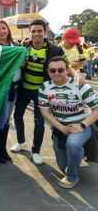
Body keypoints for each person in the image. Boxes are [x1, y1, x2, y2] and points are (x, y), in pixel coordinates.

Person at [11, 19, 66, 165]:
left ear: (45, 32)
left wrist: (76, 78)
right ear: (30, 33)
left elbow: (64, 67)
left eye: (39, 31)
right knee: (17, 116)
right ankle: (21, 141)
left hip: (42, 92)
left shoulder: (55, 50)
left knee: (39, 121)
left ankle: (36, 151)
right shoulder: (24, 46)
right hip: (24, 89)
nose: (36, 34)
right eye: (33, 31)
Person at [38, 56, 98, 188]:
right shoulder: (44, 87)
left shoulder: (80, 85)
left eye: (60, 70)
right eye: (52, 70)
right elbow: (45, 112)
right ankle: (77, 156)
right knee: (62, 165)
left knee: (73, 144)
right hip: (60, 127)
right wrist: (61, 128)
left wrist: (82, 125)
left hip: (81, 125)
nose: (56, 73)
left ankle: (72, 177)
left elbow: (96, 110)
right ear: (48, 72)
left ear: (67, 70)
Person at [0, 20, 22, 163]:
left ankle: (3, 149)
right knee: (1, 119)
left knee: (7, 119)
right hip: (3, 88)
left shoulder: (15, 46)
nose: (2, 31)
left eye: (4, 28)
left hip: (16, 86)